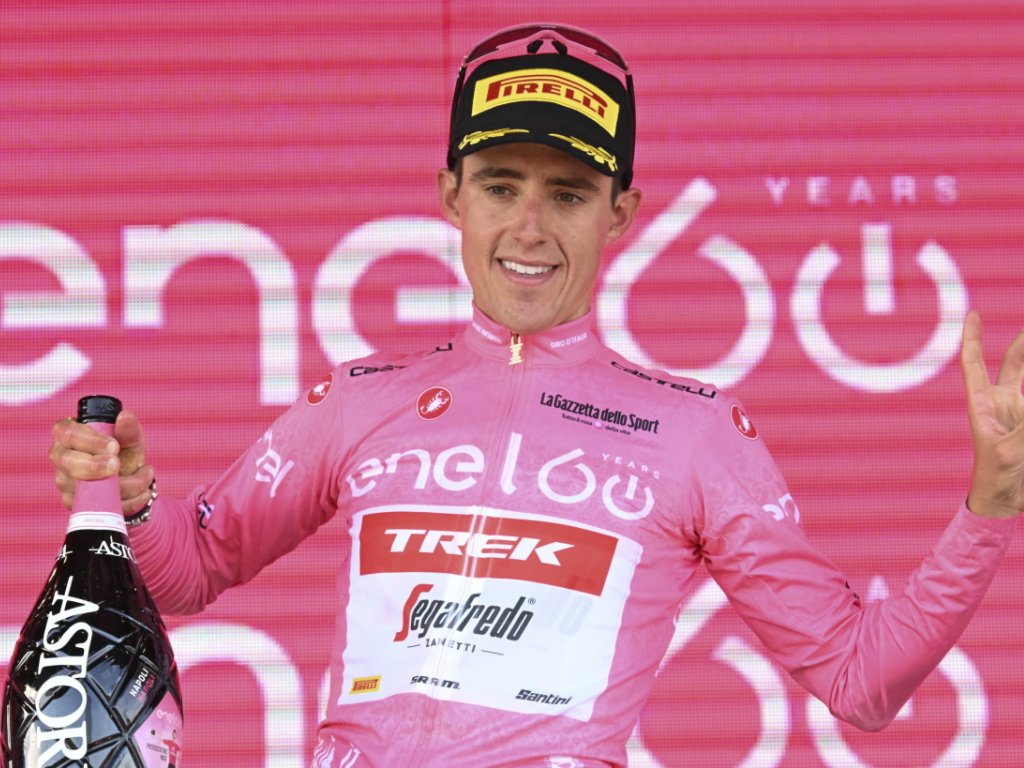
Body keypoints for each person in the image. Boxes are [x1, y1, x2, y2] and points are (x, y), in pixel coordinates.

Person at [49, 23, 1023, 768]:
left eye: (567, 194)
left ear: (620, 213)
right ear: (451, 195)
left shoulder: (693, 432)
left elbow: (861, 681)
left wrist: (991, 505)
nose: (528, 226)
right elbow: (187, 571)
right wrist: (124, 498)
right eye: (501, 185)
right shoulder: (358, 398)